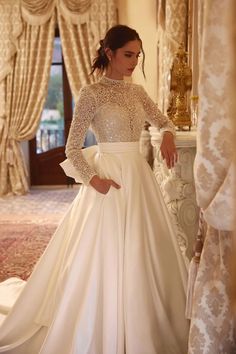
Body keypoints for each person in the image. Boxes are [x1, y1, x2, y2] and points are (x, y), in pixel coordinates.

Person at [0, 25, 189, 354]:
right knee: (107, 254)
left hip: (139, 180)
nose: (134, 61)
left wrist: (169, 133)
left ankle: (149, 320)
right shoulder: (92, 93)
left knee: (145, 249)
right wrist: (94, 180)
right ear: (109, 53)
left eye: (138, 55)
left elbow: (163, 119)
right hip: (108, 182)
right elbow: (72, 148)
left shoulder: (137, 92)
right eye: (128, 54)